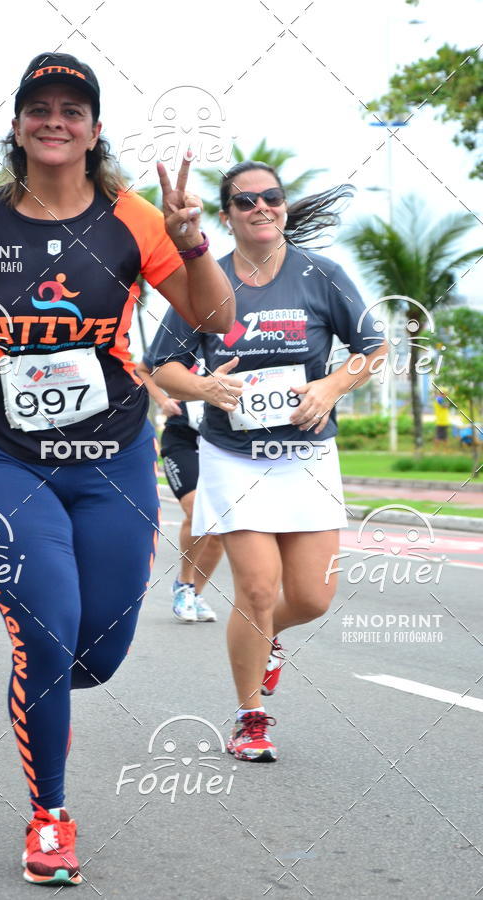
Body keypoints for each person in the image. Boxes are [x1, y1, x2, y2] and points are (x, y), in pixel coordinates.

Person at [0, 53, 233, 884]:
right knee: (44, 635)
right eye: (38, 107)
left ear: (94, 128)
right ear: (16, 125)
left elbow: (211, 316)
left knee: (97, 650)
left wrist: (194, 246)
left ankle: (47, 693)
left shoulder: (134, 219)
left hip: (112, 456)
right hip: (4, 458)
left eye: (71, 109)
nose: (54, 120)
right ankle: (50, 819)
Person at [149, 161, 388, 763]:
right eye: (246, 201)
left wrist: (330, 388)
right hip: (234, 456)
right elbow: (164, 366)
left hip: (307, 455)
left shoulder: (321, 275)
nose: (262, 208)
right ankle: (249, 716)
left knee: (310, 597)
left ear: (283, 206)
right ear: (226, 215)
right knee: (256, 589)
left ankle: (269, 638)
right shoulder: (205, 279)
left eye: (271, 198)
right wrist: (206, 389)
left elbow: (373, 348)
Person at [136, 354, 222, 623]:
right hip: (183, 440)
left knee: (218, 526)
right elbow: (142, 369)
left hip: (224, 443)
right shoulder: (184, 338)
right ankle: (184, 584)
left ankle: (195, 593)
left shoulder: (240, 339)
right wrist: (162, 400)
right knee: (197, 508)